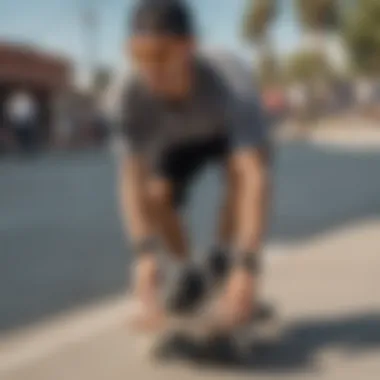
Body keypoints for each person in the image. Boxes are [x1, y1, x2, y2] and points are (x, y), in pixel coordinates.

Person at [116, 0, 272, 330]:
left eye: (160, 55)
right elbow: (131, 177)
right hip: (174, 141)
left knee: (239, 178)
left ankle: (221, 256)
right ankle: (187, 271)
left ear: (189, 47)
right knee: (155, 196)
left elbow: (253, 175)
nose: (149, 69)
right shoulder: (129, 92)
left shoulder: (230, 77)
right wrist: (143, 253)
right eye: (138, 55)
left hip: (225, 134)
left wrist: (247, 264)